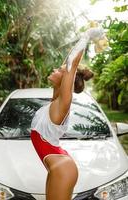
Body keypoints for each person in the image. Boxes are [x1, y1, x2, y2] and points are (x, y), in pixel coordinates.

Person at [30, 27, 104, 200]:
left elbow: (72, 63)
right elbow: (68, 64)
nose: (55, 70)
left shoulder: (62, 103)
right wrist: (67, 68)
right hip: (57, 166)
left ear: (66, 81)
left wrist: (86, 36)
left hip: (62, 168)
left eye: (59, 70)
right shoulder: (55, 100)